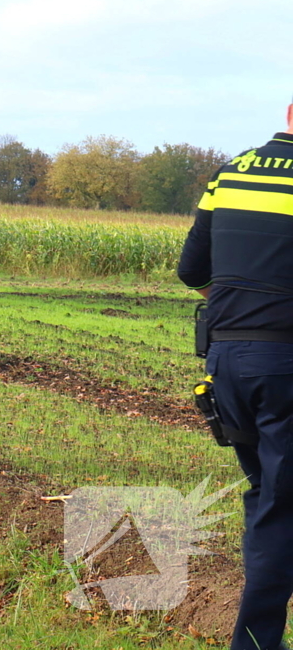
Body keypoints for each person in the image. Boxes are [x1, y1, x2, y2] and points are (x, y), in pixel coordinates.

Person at [178, 103, 293, 650]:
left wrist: (241, 313)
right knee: (280, 507)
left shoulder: (230, 172)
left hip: (227, 364)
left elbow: (191, 271)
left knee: (270, 497)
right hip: (285, 367)